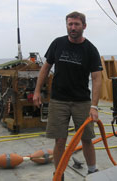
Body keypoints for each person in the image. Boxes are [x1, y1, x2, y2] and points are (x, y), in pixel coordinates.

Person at [33, 11, 102, 180]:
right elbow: (45, 68)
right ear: (66, 25)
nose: (73, 27)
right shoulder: (58, 43)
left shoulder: (91, 49)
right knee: (59, 141)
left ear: (84, 26)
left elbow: (97, 78)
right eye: (70, 24)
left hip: (82, 102)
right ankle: (59, 174)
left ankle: (92, 171)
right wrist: (36, 91)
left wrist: (94, 106)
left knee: (86, 139)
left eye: (76, 24)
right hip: (59, 101)